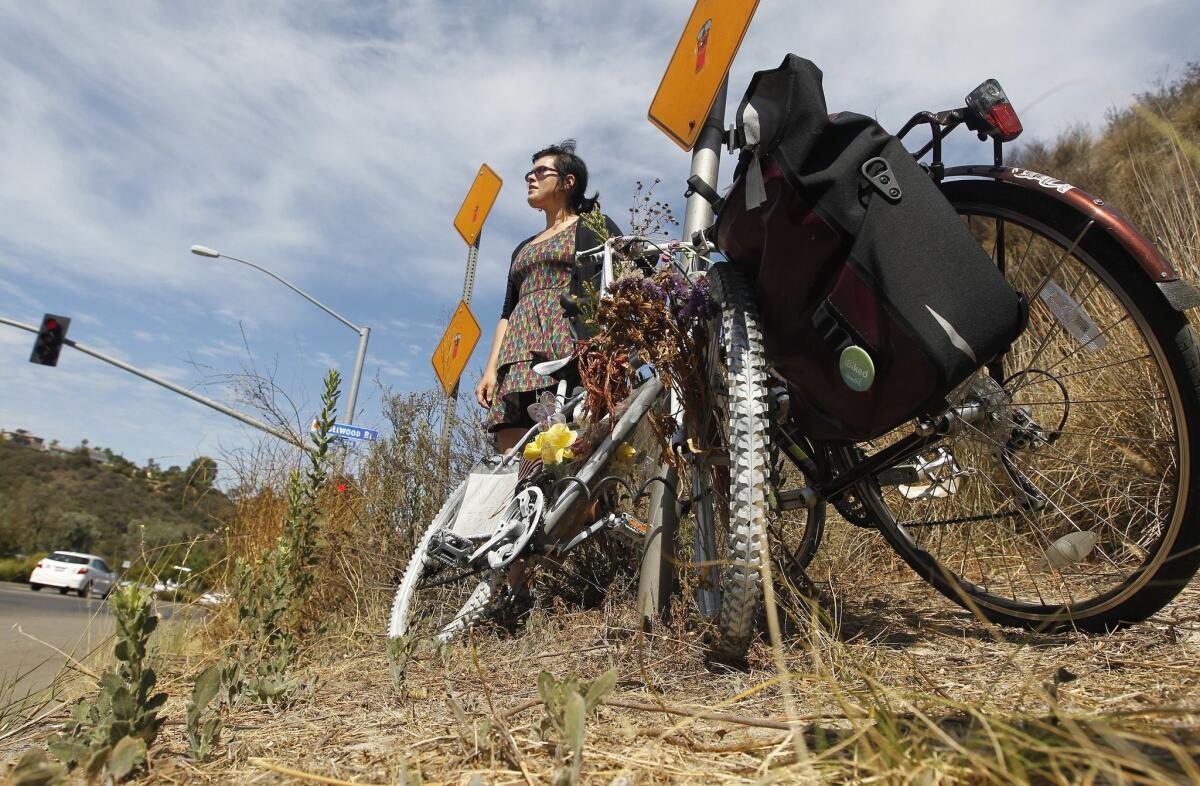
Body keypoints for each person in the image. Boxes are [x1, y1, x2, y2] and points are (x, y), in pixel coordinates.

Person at [475, 140, 621, 453]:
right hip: (516, 358)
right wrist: (490, 370)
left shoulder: (592, 226)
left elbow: (616, 285)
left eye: (542, 171)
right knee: (514, 461)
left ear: (569, 182)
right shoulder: (523, 248)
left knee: (574, 456)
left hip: (565, 350)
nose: (531, 177)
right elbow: (507, 312)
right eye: (530, 172)